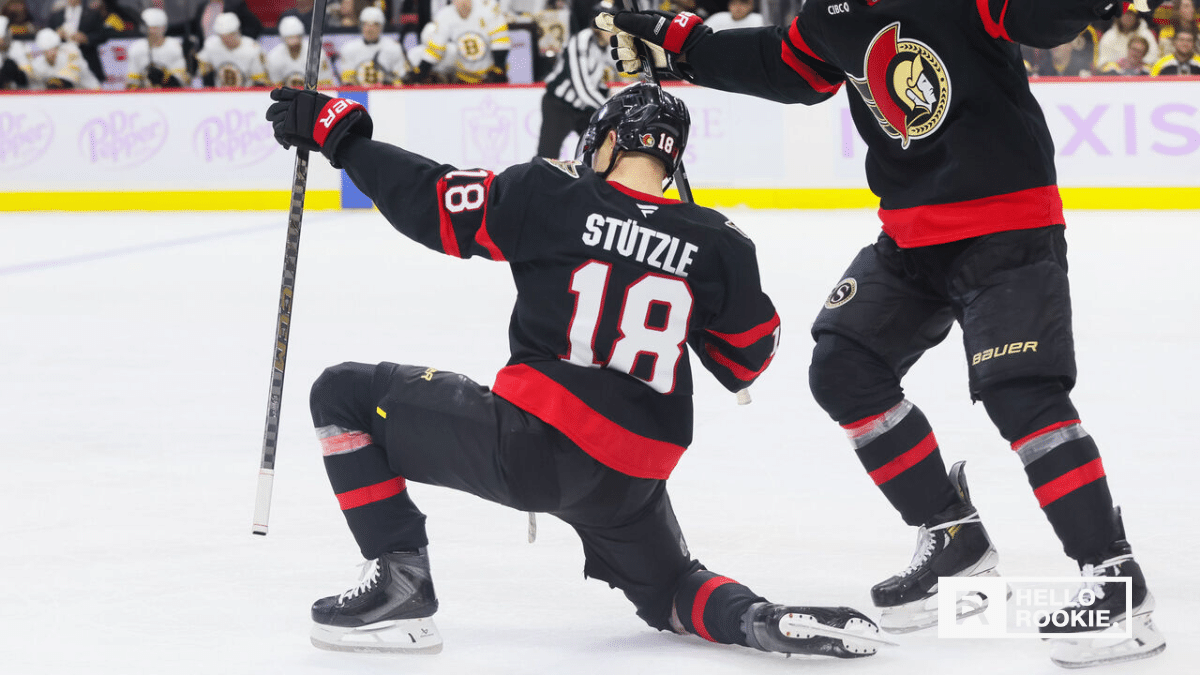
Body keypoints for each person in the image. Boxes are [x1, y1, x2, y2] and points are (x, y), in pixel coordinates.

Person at [604, 0, 1167, 668]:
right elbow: (786, 66)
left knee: (1021, 392)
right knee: (845, 366)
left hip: (1006, 226)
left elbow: (1040, 18)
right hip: (910, 237)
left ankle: (1114, 577)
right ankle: (953, 535)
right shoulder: (830, 13)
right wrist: (684, 42)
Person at [263, 81, 885, 659]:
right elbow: (746, 359)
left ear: (610, 141)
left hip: (535, 443)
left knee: (342, 393)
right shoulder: (719, 241)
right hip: (631, 480)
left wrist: (341, 136)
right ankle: (759, 619)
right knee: (672, 588)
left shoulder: (551, 191)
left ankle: (399, 586)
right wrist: (701, 277)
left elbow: (435, 203)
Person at [536, 1, 617, 159]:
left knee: (599, 149)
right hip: (558, 106)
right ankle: (538, 182)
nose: (614, 31)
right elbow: (582, 87)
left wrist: (607, 92)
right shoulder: (581, 41)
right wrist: (607, 108)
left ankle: (592, 180)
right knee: (547, 156)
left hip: (581, 108)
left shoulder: (603, 47)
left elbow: (592, 80)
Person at [405, 0, 509, 83]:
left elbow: (500, 40)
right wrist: (420, 73)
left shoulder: (489, 7)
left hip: (490, 74)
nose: (463, 2)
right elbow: (435, 50)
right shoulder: (444, 16)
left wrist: (499, 68)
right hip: (463, 76)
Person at [337, 6, 408, 85]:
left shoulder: (393, 47)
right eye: (366, 24)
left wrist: (388, 83)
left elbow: (400, 79)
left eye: (375, 24)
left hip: (386, 94)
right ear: (361, 26)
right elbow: (347, 82)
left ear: (382, 26)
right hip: (359, 95)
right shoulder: (349, 48)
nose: (370, 29)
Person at [195, 12, 267, 87]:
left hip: (246, 94)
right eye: (222, 37)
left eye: (230, 35)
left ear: (237, 32)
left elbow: (260, 81)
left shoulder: (253, 49)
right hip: (219, 94)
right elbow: (200, 72)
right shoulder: (211, 45)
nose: (226, 40)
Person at [47, 0, 108, 84]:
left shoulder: (93, 14)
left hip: (88, 61)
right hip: (62, 65)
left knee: (93, 91)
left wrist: (86, 38)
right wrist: (57, 36)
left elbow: (103, 36)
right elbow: (46, 35)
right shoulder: (56, 15)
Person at [266, 14, 336, 88]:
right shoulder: (274, 57)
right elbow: (274, 86)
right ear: (283, 38)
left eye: (296, 37)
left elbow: (326, 84)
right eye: (289, 37)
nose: (294, 42)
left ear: (301, 36)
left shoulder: (317, 53)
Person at [126, 7, 188, 88]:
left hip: (169, 95)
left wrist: (164, 78)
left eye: (155, 28)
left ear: (164, 28)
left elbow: (181, 82)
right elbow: (132, 82)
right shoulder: (136, 48)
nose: (152, 31)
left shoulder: (175, 47)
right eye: (149, 28)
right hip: (145, 96)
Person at [30, 26, 101, 89]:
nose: (52, 53)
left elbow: (73, 79)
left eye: (55, 48)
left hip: (88, 89)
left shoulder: (71, 53)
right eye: (47, 51)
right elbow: (37, 88)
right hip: (57, 96)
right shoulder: (36, 65)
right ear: (42, 52)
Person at [0, 14, 32, 89]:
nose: (2, 42)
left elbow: (28, 76)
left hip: (18, 91)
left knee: (9, 64)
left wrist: (16, 71)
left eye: (3, 38)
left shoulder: (17, 47)